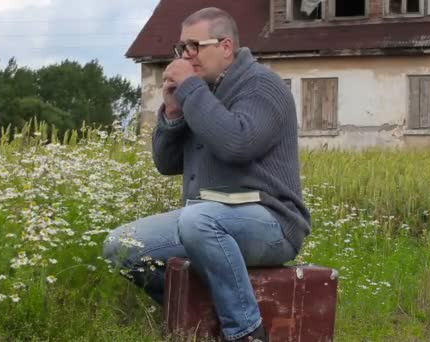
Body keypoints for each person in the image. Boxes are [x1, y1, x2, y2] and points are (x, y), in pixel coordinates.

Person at [103, 7, 311, 342]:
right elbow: (167, 164)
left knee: (198, 220)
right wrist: (172, 111)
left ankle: (246, 333)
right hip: (206, 221)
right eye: (182, 48)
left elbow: (237, 144)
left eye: (195, 47)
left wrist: (190, 90)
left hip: (273, 223)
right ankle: (194, 320)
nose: (187, 56)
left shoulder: (263, 86)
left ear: (226, 47)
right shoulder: (202, 91)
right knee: (121, 247)